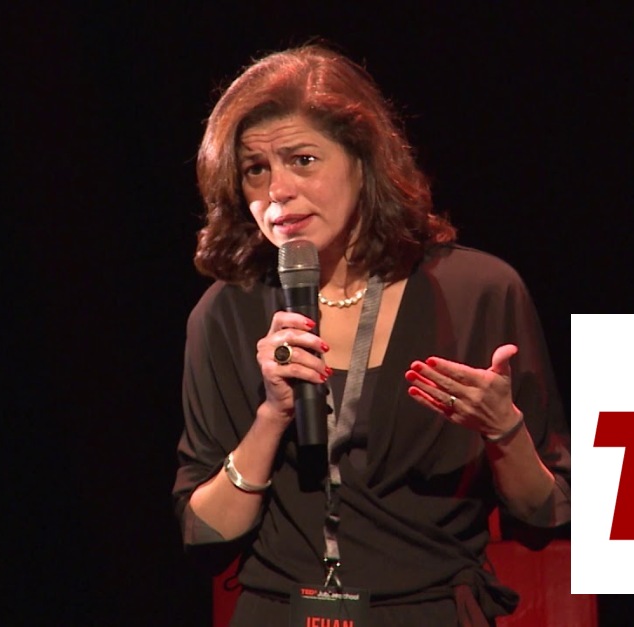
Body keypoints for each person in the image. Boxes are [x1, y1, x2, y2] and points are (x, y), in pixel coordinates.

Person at [172, 43, 570, 626]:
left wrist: (503, 429)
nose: (277, 190)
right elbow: (206, 532)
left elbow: (543, 513)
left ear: (363, 160)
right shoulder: (225, 313)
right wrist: (272, 417)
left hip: (428, 611)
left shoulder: (479, 292)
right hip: (281, 611)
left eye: (302, 160)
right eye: (256, 169)